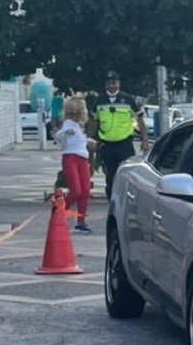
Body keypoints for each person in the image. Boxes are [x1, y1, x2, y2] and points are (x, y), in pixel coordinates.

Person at [87, 70, 149, 199]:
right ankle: (113, 201)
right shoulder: (99, 100)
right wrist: (90, 139)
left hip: (124, 143)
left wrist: (145, 139)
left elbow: (140, 120)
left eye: (114, 83)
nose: (111, 86)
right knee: (111, 175)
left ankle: (127, 200)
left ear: (119, 84)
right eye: (109, 83)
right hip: (107, 144)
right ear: (105, 85)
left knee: (128, 174)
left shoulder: (128, 100)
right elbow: (93, 121)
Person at [55, 97, 94, 232]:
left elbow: (79, 140)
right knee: (76, 191)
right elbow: (59, 136)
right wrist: (65, 133)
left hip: (82, 158)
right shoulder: (68, 124)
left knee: (85, 191)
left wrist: (88, 141)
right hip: (71, 157)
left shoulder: (78, 126)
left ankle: (81, 222)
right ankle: (60, 211)